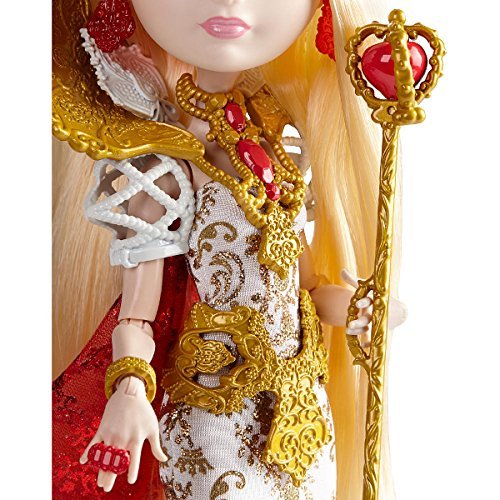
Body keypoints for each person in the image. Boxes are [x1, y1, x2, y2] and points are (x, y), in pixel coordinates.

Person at [52, 0, 406, 498]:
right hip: (215, 416)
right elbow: (137, 314)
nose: (231, 4)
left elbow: (303, 287)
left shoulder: (276, 148)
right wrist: (130, 389)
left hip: (302, 417)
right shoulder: (165, 159)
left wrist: (361, 308)